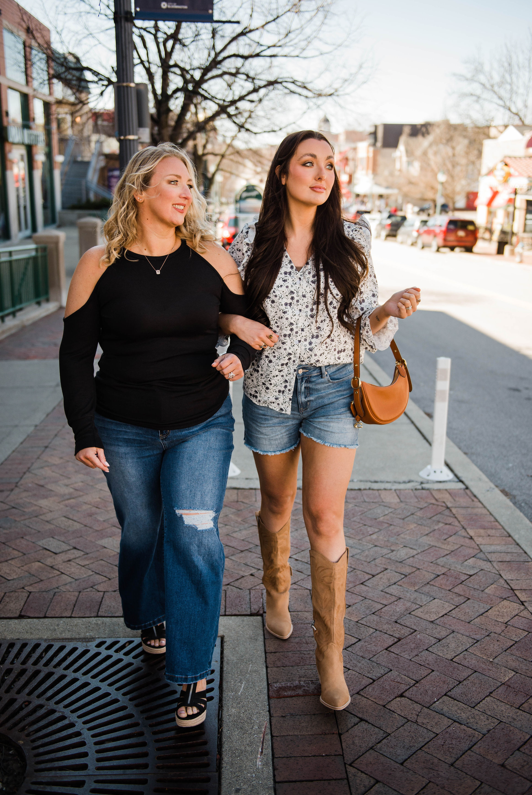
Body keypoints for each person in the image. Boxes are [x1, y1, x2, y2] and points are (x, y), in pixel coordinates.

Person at [220, 130, 421, 711]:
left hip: (334, 389)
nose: (322, 173)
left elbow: (366, 320)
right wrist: (233, 337)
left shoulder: (353, 238)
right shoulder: (250, 243)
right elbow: (224, 310)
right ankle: (276, 588)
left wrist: (385, 311)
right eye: (309, 163)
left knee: (325, 515)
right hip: (267, 390)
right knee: (278, 505)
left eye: (330, 165)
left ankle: (331, 660)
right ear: (282, 173)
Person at [59, 143, 254, 727]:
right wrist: (83, 429)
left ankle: (192, 671)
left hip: (202, 422)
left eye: (190, 184)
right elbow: (74, 353)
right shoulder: (99, 263)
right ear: (140, 189)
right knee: (142, 532)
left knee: (194, 539)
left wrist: (239, 353)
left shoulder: (211, 256)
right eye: (174, 181)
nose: (186, 193)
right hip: (123, 427)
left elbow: (245, 322)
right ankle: (151, 616)